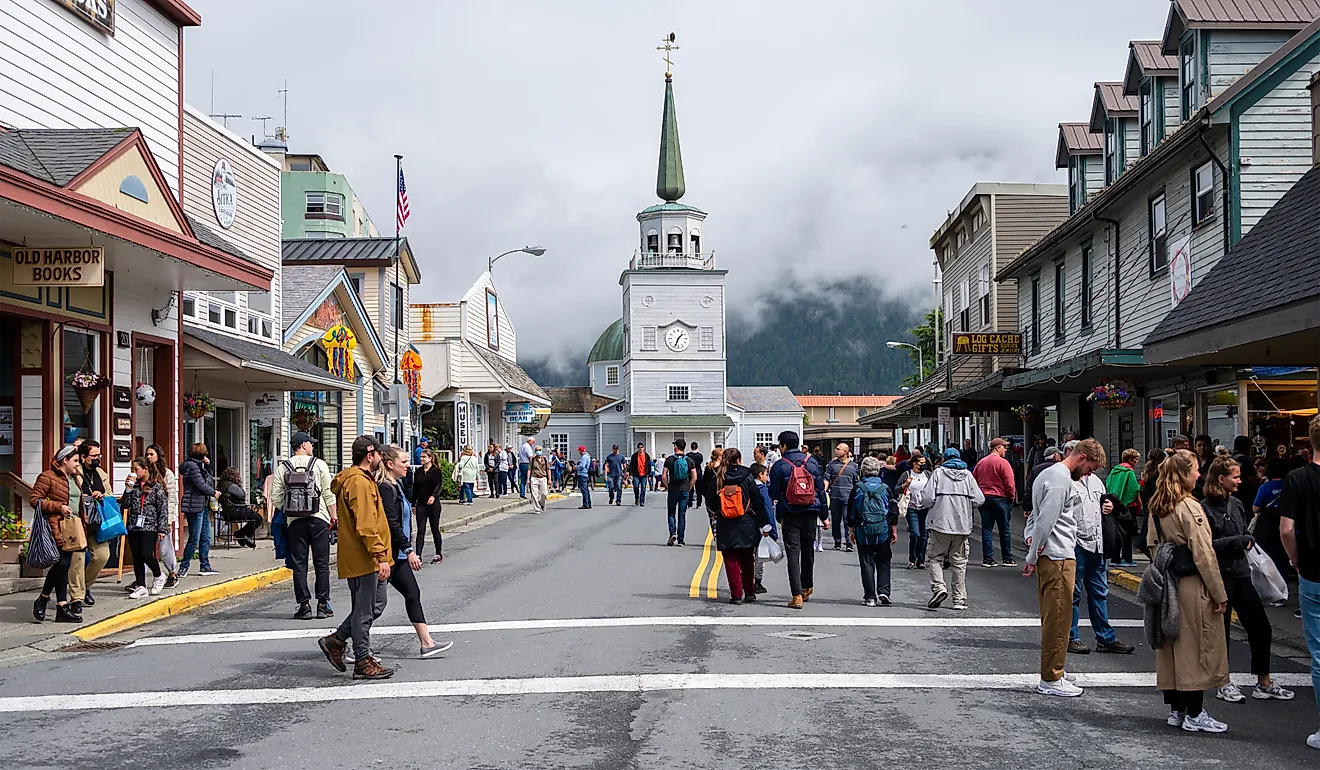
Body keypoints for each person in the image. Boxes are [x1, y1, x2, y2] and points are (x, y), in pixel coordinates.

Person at [1147, 449, 1231, 733]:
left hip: (1167, 582)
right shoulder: (1190, 507)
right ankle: (1195, 712)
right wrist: (1219, 594)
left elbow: (1152, 545)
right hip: (1192, 585)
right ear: (1184, 474)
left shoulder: (1158, 506)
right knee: (1196, 647)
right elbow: (1204, 554)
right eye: (1195, 470)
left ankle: (1177, 709)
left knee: (1171, 645)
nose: (1199, 475)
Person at [1201, 456, 1294, 704]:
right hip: (1219, 576)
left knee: (1261, 627)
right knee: (1222, 633)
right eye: (1236, 476)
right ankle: (1223, 681)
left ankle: (1264, 681)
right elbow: (1205, 546)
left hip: (1242, 574)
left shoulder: (1237, 504)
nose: (1240, 481)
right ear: (1221, 478)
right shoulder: (1204, 508)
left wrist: (1244, 539)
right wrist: (1239, 541)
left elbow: (1243, 532)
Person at [1022, 439, 1100, 697]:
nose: (1088, 473)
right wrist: (1032, 556)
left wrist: (1030, 541)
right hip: (1059, 555)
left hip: (1053, 554)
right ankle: (1052, 677)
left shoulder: (1048, 474)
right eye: (1089, 467)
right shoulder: (1061, 479)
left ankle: (1056, 670)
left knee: (1055, 615)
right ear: (1081, 457)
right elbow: (1046, 519)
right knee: (1058, 617)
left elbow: (1036, 517)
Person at [318, 436, 394, 681]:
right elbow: (365, 524)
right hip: (364, 557)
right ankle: (362, 660)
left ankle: (337, 640)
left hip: (367, 557)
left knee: (374, 606)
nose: (381, 458)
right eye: (379, 454)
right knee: (364, 610)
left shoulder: (362, 480)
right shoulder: (358, 483)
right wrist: (380, 555)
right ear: (369, 455)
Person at [1055, 440, 1135, 656]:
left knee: (1100, 593)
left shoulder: (1097, 482)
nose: (1092, 471)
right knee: (1073, 594)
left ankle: (1105, 638)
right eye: (1091, 466)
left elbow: (1102, 505)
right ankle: (1071, 637)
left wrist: (1108, 506)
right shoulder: (1065, 481)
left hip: (1096, 544)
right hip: (1076, 544)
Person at [375, 445, 453, 660]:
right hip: (389, 554)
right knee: (374, 606)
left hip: (397, 554)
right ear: (390, 464)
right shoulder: (385, 487)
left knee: (412, 594)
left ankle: (426, 642)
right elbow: (392, 523)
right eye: (404, 462)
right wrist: (408, 549)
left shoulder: (396, 484)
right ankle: (342, 640)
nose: (408, 466)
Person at [1280, 416, 1320, 750]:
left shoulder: (1297, 479)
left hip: (1313, 571)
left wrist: (1295, 561)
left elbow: (1286, 530)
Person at [271, 432, 337, 621]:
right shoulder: (319, 464)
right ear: (304, 445)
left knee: (300, 565)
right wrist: (333, 516)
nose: (313, 446)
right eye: (311, 443)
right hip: (319, 519)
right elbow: (328, 493)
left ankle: (304, 605)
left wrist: (289, 509)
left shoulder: (283, 467)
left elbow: (275, 497)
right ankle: (323, 605)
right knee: (321, 563)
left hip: (295, 522)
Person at [911, 447, 982, 610]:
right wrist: (966, 506)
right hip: (962, 526)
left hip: (940, 523)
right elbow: (979, 499)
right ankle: (959, 599)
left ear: (945, 459)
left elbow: (927, 498)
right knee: (959, 563)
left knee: (935, 558)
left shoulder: (938, 473)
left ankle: (939, 588)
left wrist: (928, 505)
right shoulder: (968, 476)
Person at [769, 430, 826, 609]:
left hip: (790, 513)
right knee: (808, 550)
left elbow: (773, 493)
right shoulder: (812, 462)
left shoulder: (779, 465)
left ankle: (796, 595)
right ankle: (807, 587)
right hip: (811, 511)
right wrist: (824, 515)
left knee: (793, 554)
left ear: (783, 445)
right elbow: (820, 490)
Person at [707, 448, 770, 605]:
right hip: (746, 521)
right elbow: (757, 501)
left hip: (726, 522)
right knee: (747, 558)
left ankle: (736, 594)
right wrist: (764, 523)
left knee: (730, 559)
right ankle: (749, 592)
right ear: (739, 459)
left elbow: (710, 501)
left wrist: (720, 510)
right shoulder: (747, 475)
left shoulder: (719, 476)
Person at [31, 446, 86, 624]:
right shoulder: (48, 477)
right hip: (55, 526)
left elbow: (78, 502)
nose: (78, 464)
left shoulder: (75, 478)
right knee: (61, 564)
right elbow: (35, 500)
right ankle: (44, 598)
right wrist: (58, 507)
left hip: (72, 527)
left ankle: (61, 607)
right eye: (75, 461)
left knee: (65, 565)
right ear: (65, 461)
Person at [846, 456, 898, 607]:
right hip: (883, 529)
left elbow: (852, 511)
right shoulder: (885, 488)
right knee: (884, 561)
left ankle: (870, 597)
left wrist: (851, 529)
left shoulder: (858, 488)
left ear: (862, 470)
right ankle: (884, 591)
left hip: (863, 529)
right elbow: (893, 511)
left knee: (866, 561)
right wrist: (893, 529)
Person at [121, 458, 169, 599]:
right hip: (134, 525)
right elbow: (125, 505)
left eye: (136, 469)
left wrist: (162, 529)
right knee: (136, 556)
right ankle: (141, 585)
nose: (134, 472)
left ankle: (158, 574)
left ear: (145, 469)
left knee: (146, 553)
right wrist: (128, 490)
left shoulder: (156, 487)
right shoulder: (135, 487)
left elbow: (163, 509)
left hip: (150, 525)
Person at [73, 440, 112, 609]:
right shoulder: (75, 472)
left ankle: (86, 585)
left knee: (102, 556)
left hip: (96, 521)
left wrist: (101, 495)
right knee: (78, 559)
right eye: (94, 456)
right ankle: (77, 598)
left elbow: (109, 493)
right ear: (83, 457)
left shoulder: (100, 473)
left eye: (99, 455)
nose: (97, 459)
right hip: (79, 520)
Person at [178, 442, 221, 578]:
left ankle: (205, 566)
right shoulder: (192, 467)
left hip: (201, 505)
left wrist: (207, 465)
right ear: (201, 454)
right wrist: (214, 492)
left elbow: (208, 479)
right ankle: (184, 566)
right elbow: (201, 485)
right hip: (194, 506)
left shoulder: (197, 466)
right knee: (194, 538)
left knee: (205, 537)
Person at [973, 437, 1017, 568]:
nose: (1005, 450)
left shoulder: (981, 463)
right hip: (1000, 498)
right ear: (998, 448)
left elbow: (973, 480)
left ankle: (988, 559)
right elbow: (1010, 483)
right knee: (1004, 529)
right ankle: (1007, 558)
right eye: (1004, 447)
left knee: (986, 529)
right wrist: (1011, 497)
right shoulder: (1003, 463)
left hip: (984, 499)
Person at [145, 444, 179, 588]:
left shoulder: (167, 474)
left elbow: (171, 498)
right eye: (147, 454)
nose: (148, 457)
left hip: (163, 515)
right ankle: (141, 579)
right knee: (145, 549)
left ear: (158, 455)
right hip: (148, 516)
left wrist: (169, 519)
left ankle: (172, 573)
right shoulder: (145, 472)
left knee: (165, 548)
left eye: (151, 454)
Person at [1254, 457, 1292, 586]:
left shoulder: (1265, 487)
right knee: (1282, 558)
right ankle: (1283, 587)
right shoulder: (1290, 486)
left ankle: (1271, 588)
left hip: (1267, 526)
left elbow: (1256, 508)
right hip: (1285, 522)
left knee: (1267, 557)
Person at [1106, 449, 1143, 567]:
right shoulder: (1129, 472)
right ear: (1129, 460)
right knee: (1127, 533)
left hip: (1115, 504)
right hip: (1128, 506)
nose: (1136, 462)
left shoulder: (1114, 471)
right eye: (1135, 459)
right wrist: (1141, 483)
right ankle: (1127, 558)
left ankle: (1115, 558)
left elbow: (1108, 484)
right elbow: (1134, 489)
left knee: (1117, 532)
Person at [411, 449, 445, 563]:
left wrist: (434, 496)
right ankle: (419, 555)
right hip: (421, 503)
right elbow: (415, 488)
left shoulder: (436, 471)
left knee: (435, 528)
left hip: (433, 504)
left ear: (430, 458)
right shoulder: (418, 472)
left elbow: (439, 485)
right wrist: (413, 503)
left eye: (424, 457)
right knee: (421, 529)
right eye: (421, 457)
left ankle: (438, 553)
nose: (422, 459)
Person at [825, 443, 859, 552]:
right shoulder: (832, 464)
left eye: (838, 449)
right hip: (835, 497)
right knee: (835, 520)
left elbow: (856, 482)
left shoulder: (853, 466)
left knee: (847, 520)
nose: (836, 451)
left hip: (848, 498)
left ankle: (849, 542)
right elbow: (827, 478)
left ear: (845, 451)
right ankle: (837, 541)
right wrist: (824, 491)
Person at [900, 454, 931, 569]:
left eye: (924, 463)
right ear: (914, 464)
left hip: (925, 508)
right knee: (915, 534)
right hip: (912, 508)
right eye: (921, 463)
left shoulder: (927, 475)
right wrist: (905, 484)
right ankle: (912, 559)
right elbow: (896, 489)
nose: (924, 465)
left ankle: (921, 560)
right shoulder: (907, 474)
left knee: (924, 534)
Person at [750, 462, 777, 595]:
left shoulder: (746, 487)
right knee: (760, 556)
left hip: (747, 525)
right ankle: (757, 581)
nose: (767, 477)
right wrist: (772, 531)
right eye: (766, 474)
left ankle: (747, 580)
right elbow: (768, 510)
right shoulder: (763, 490)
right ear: (760, 475)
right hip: (761, 527)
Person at [217, 466, 261, 548]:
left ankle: (243, 535)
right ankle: (242, 534)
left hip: (226, 512)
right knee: (258, 518)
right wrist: (239, 485)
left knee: (254, 516)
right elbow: (242, 495)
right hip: (235, 510)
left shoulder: (221, 484)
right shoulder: (231, 486)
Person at [664, 440, 694, 545]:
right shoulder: (689, 460)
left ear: (676, 447)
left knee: (671, 512)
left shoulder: (670, 460)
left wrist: (668, 486)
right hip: (684, 490)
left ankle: (672, 533)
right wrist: (689, 487)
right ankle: (681, 539)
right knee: (682, 514)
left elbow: (664, 476)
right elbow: (694, 477)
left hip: (673, 490)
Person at [528, 446, 550, 513]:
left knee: (544, 493)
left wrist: (550, 479)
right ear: (535, 451)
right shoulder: (533, 459)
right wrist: (528, 479)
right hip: (534, 477)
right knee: (534, 494)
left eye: (540, 450)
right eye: (537, 450)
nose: (538, 451)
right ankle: (537, 509)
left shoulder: (545, 459)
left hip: (543, 477)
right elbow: (529, 469)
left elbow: (548, 469)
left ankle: (542, 503)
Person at [688, 442, 705, 509]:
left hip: (690, 472)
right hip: (698, 472)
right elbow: (701, 461)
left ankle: (690, 503)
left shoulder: (688, 455)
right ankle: (699, 504)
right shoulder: (700, 455)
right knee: (699, 489)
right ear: (697, 447)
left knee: (690, 489)